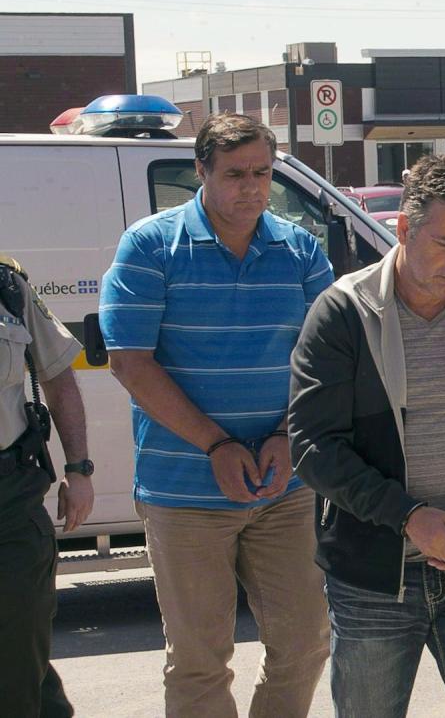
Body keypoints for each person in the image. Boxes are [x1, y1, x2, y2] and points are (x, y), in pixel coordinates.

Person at [288, 153, 445, 718]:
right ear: (403, 227)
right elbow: (311, 445)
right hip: (373, 576)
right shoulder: (344, 313)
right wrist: (409, 517)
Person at [99, 112, 332, 717]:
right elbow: (129, 362)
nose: (251, 187)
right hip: (185, 489)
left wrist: (288, 434)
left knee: (307, 643)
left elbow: (329, 357)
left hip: (287, 485)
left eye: (262, 172)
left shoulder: (300, 248)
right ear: (200, 171)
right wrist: (217, 446)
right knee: (201, 660)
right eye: (234, 174)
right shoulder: (151, 245)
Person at [1, 255, 94, 717]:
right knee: (24, 671)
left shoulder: (5, 285)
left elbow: (58, 379)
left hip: (9, 501)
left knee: (18, 644)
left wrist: (78, 470)